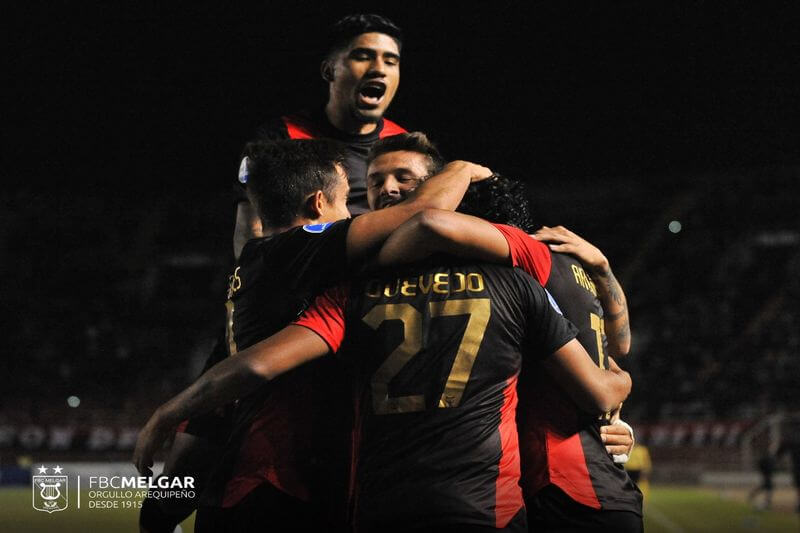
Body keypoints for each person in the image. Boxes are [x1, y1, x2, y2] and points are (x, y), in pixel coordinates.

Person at [138, 137, 492, 532]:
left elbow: (216, 401)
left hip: (249, 483)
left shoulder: (260, 267)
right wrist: (460, 168)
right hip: (276, 488)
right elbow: (421, 211)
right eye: (345, 202)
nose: (352, 213)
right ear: (318, 205)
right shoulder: (300, 250)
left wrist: (160, 505)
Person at [135, 252, 632, 533]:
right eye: (377, 183)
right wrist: (615, 399)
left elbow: (252, 367)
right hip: (470, 511)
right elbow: (596, 377)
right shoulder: (510, 287)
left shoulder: (349, 291)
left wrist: (169, 414)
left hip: (375, 509)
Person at [365, 133, 642, 530]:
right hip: (594, 484)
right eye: (374, 181)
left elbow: (429, 222)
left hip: (551, 485)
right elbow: (618, 348)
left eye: (407, 181)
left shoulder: (521, 260)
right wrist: (602, 268)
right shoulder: (569, 270)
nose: (388, 190)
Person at [233, 13, 406, 257]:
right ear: (329, 70)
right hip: (302, 282)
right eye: (363, 57)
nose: (379, 69)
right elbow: (251, 228)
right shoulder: (278, 137)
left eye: (391, 61)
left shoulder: (402, 142)